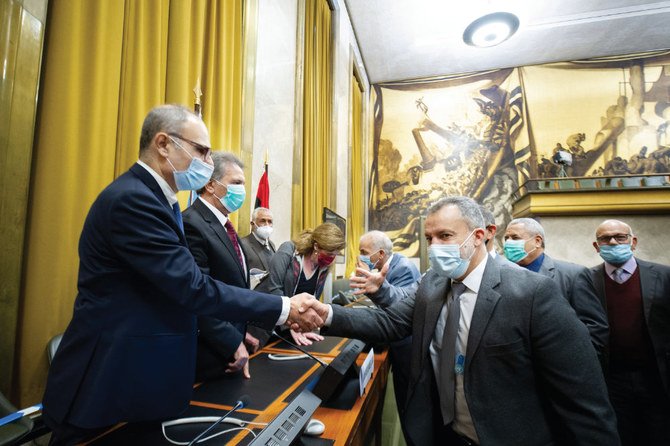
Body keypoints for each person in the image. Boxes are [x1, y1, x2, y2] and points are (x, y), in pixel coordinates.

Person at [41, 105, 322, 445]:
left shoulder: (161, 200)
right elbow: (192, 286)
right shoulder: (134, 200)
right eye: (201, 150)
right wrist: (284, 308)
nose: (207, 161)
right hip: (108, 382)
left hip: (143, 379)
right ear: (163, 144)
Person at [318, 196, 619, 446]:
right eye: (429, 238)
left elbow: (583, 402)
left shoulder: (532, 293)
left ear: (479, 236)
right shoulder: (432, 283)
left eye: (445, 236)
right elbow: (390, 323)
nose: (434, 246)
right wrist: (323, 314)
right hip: (441, 434)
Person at [573, 219, 670, 445]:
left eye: (620, 237)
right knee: (619, 435)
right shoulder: (587, 279)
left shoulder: (664, 276)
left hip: (656, 376)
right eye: (605, 239)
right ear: (597, 247)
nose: (613, 242)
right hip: (611, 378)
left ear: (633, 242)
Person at [182, 151, 260, 380]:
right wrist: (231, 340)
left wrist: (240, 333)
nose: (242, 191)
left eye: (243, 184)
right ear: (210, 185)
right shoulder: (192, 223)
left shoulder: (225, 226)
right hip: (206, 352)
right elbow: (198, 295)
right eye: (236, 183)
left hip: (231, 348)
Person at [502, 217, 607, 356]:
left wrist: (579, 363)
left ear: (537, 241)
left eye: (515, 238)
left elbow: (595, 327)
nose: (508, 243)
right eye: (506, 238)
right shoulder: (501, 275)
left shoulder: (573, 275)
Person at [357, 230, 420, 432]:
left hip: (406, 348)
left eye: (364, 251)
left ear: (381, 254)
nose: (361, 256)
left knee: (408, 403)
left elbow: (397, 312)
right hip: (396, 343)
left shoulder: (404, 269)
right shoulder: (389, 265)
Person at [258, 222, 345, 345]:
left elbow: (312, 300)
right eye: (330, 254)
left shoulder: (324, 267)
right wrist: (290, 325)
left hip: (295, 328)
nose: (332, 259)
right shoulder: (289, 250)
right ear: (316, 246)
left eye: (336, 254)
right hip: (270, 324)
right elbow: (273, 288)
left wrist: (305, 327)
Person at [240, 207, 276, 279]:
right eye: (262, 221)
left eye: (270, 221)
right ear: (252, 224)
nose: (267, 225)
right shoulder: (242, 244)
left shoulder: (271, 244)